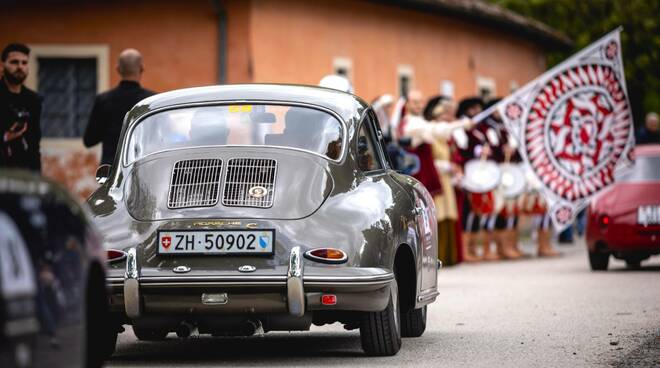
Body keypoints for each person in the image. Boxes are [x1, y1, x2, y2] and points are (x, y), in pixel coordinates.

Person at [83, 48, 154, 165]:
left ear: (118, 69)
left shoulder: (103, 100)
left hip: (110, 169)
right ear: (142, 68)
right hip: (141, 166)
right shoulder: (150, 101)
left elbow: (89, 140)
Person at [0, 43, 42, 172]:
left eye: (24, 63)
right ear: (2, 65)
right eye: (14, 62)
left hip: (24, 169)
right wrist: (6, 137)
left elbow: (35, 142)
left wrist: (37, 174)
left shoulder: (33, 99)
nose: (20, 67)